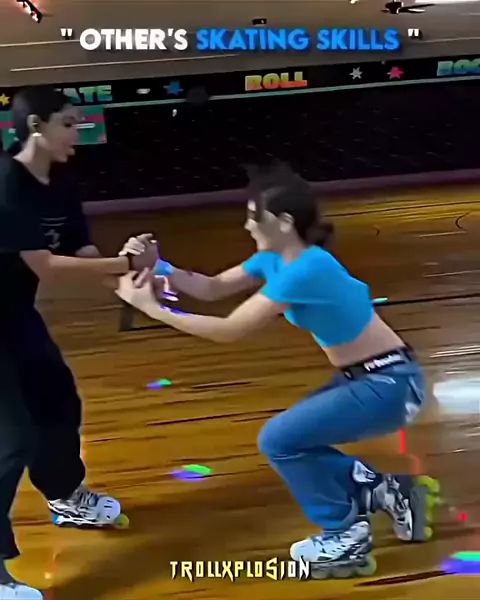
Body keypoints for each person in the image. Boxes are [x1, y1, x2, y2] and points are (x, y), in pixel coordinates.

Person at [116, 161, 440, 579]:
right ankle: (389, 490)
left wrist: (153, 309)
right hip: (369, 379)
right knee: (293, 442)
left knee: (280, 440)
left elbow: (230, 329)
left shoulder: (308, 269)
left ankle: (344, 535)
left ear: (284, 222)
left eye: (255, 216)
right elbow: (211, 288)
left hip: (390, 384)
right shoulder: (273, 259)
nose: (247, 225)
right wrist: (159, 265)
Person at [0, 87, 158, 600]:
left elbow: (81, 251)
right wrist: (125, 263)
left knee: (57, 399)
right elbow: (45, 265)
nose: (79, 132)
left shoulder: (62, 181)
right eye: (69, 123)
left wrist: (136, 275)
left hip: (13, 313)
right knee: (12, 440)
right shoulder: (7, 182)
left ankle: (65, 496)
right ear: (36, 127)